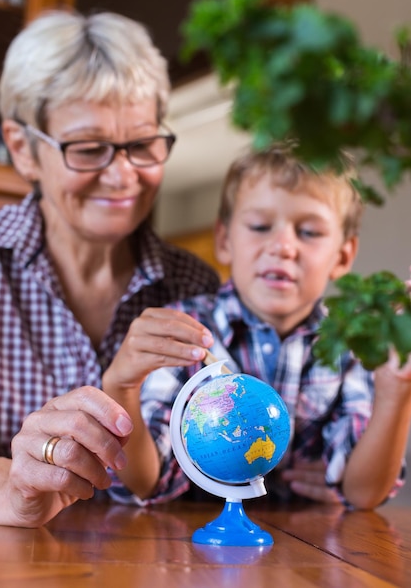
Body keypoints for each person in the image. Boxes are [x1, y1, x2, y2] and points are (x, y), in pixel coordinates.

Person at [0, 8, 220, 527]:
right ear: (23, 149)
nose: (122, 175)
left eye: (141, 145)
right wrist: (14, 489)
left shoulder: (195, 287)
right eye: (90, 149)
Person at [105, 143, 411, 510]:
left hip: (304, 558)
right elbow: (144, 483)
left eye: (309, 232)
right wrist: (120, 390)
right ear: (223, 240)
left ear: (343, 255)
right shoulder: (181, 330)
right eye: (261, 226)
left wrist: (396, 388)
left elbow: (363, 493)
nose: (282, 246)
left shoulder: (352, 345)